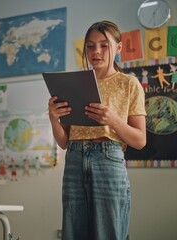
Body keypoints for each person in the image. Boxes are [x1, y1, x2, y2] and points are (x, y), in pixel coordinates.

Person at [47, 21, 147, 240]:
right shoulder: (74, 83)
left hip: (108, 157)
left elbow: (140, 140)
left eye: (104, 45)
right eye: (90, 46)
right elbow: (64, 141)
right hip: (74, 158)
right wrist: (54, 119)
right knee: (73, 231)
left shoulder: (129, 84)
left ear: (118, 48)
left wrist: (113, 120)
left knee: (107, 232)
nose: (96, 51)